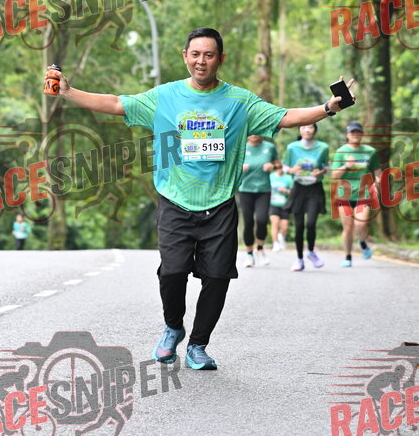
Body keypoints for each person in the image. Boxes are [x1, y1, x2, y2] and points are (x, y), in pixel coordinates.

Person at [50, 27, 355, 370]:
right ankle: (172, 327)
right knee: (172, 272)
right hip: (175, 201)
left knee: (218, 277)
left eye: (209, 55)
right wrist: (69, 91)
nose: (201, 61)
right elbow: (118, 103)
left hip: (220, 204)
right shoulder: (165, 96)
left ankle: (198, 345)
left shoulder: (239, 102)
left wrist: (328, 107)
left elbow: (286, 117)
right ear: (185, 56)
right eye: (195, 54)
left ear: (220, 59)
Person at [331, 121, 381, 267]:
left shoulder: (370, 151)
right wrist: (347, 165)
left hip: (363, 194)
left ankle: (362, 242)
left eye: (358, 132)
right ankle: (347, 257)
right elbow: (334, 175)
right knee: (348, 228)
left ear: (362, 134)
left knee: (361, 223)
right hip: (344, 195)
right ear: (347, 135)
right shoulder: (341, 152)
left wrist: (377, 184)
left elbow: (377, 171)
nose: (355, 135)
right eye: (352, 132)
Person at [283, 124, 329, 272]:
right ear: (299, 130)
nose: (307, 130)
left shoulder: (323, 147)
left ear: (315, 129)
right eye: (303, 127)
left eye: (310, 127)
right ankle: (299, 259)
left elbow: (326, 167)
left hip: (315, 189)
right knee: (299, 225)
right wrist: (292, 170)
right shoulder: (292, 148)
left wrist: (321, 172)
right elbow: (284, 167)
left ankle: (310, 251)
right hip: (298, 189)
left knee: (311, 223)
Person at [237, 135, 279, 266]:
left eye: (257, 131)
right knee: (248, 222)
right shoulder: (241, 147)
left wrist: (272, 166)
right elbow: (230, 167)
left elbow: (279, 164)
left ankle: (260, 248)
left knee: (261, 220)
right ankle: (249, 254)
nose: (254, 135)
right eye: (251, 132)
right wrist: (240, 168)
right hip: (245, 190)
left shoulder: (269, 147)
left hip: (263, 190)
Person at [269, 161, 293, 251]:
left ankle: (281, 237)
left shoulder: (288, 178)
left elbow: (293, 192)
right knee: (274, 223)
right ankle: (275, 243)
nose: (279, 169)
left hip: (285, 205)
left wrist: (285, 191)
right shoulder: (271, 176)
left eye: (280, 167)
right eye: (277, 167)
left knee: (284, 227)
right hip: (273, 204)